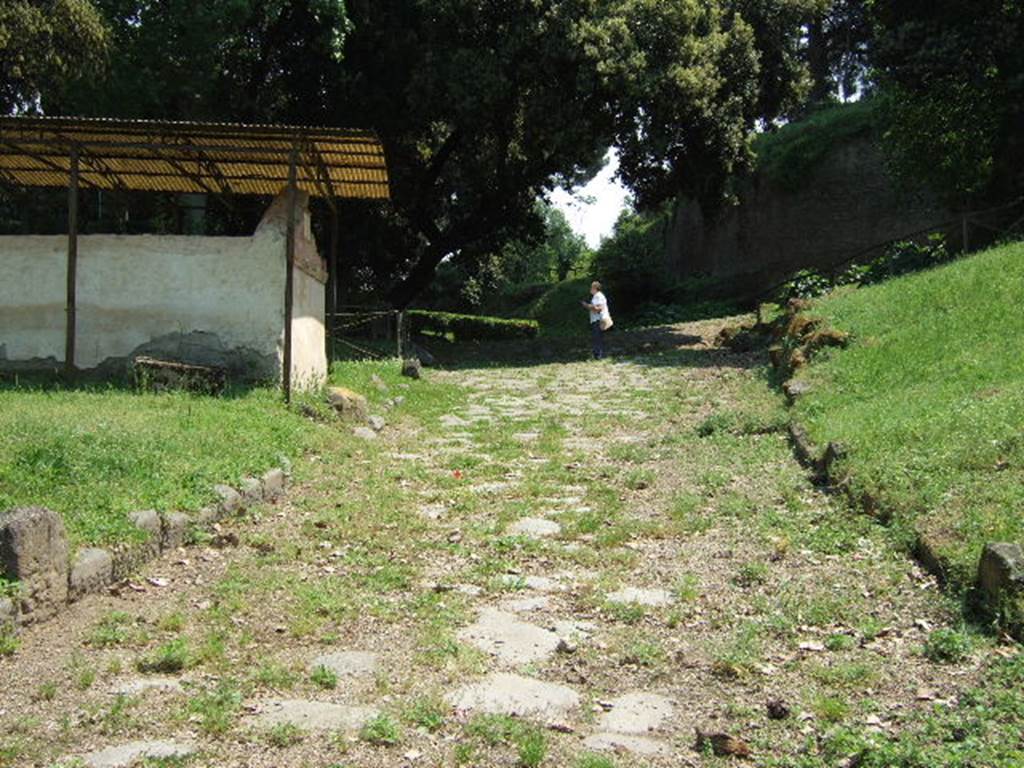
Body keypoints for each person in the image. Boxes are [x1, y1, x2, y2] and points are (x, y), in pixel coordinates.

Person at [581, 281, 611, 359]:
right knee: (598, 337)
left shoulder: (598, 296)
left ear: (595, 288)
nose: (590, 289)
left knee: (597, 337)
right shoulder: (597, 296)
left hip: (598, 320)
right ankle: (598, 355)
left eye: (591, 287)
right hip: (598, 319)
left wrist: (586, 305)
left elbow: (598, 308)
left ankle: (598, 356)